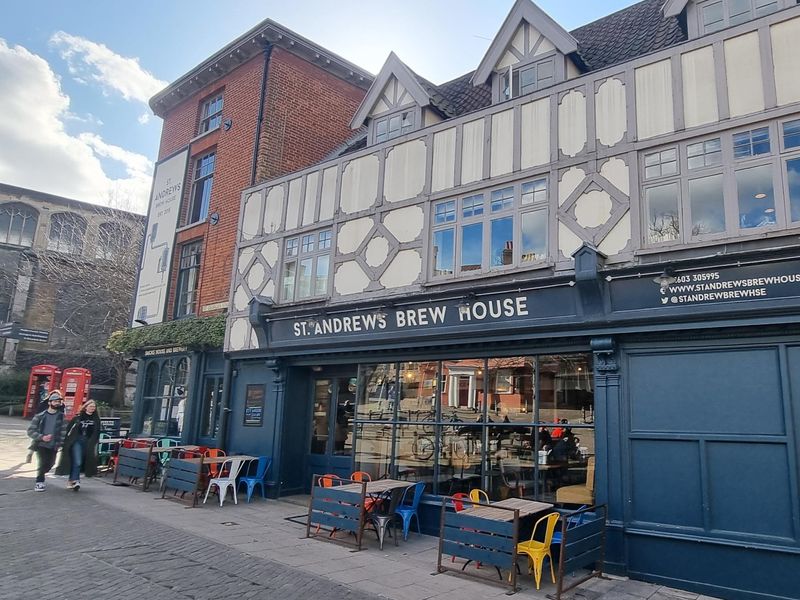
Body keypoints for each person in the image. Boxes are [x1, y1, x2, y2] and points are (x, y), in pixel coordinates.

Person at [56, 400, 102, 490]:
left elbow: (97, 432)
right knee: (77, 461)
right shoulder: (78, 417)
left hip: (88, 442)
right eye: (90, 406)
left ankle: (71, 480)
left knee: (83, 461)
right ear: (86, 407)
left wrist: (94, 442)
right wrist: (65, 442)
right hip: (77, 441)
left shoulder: (96, 419)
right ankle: (76, 480)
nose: (92, 408)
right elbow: (69, 429)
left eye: (94, 407)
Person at [26, 391, 67, 492]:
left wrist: (61, 444)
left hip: (54, 445)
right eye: (55, 401)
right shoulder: (40, 416)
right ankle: (39, 482)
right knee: (42, 462)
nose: (57, 403)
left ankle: (42, 474)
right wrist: (41, 437)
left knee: (51, 464)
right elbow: (30, 431)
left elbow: (63, 431)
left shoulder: (62, 417)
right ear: (50, 402)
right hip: (41, 444)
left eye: (59, 401)